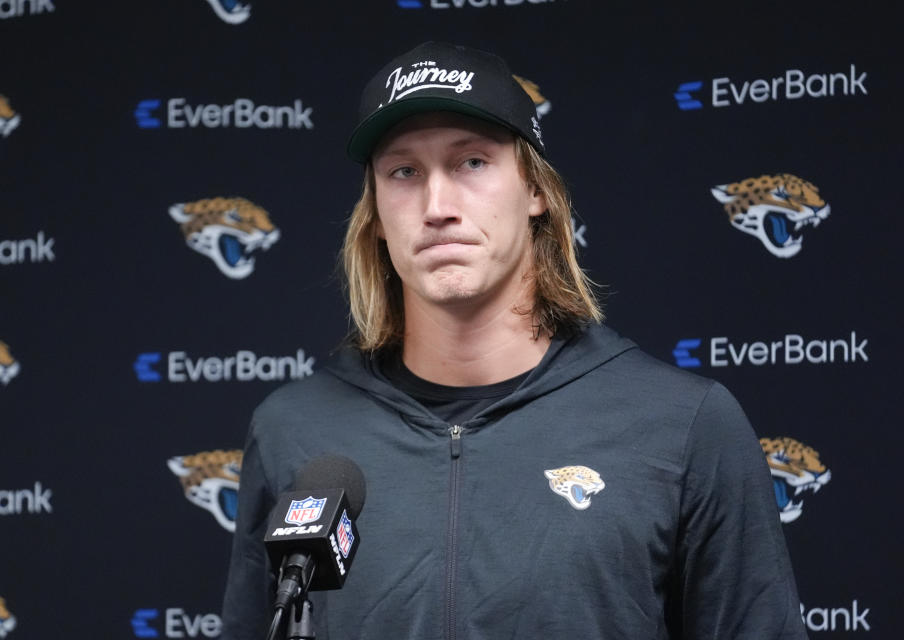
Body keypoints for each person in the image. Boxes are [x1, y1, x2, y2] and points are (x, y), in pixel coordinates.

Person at [222, 41, 808, 639]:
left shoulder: (683, 425)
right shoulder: (293, 429)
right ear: (374, 214)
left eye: (471, 162)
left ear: (537, 192)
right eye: (404, 172)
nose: (437, 206)